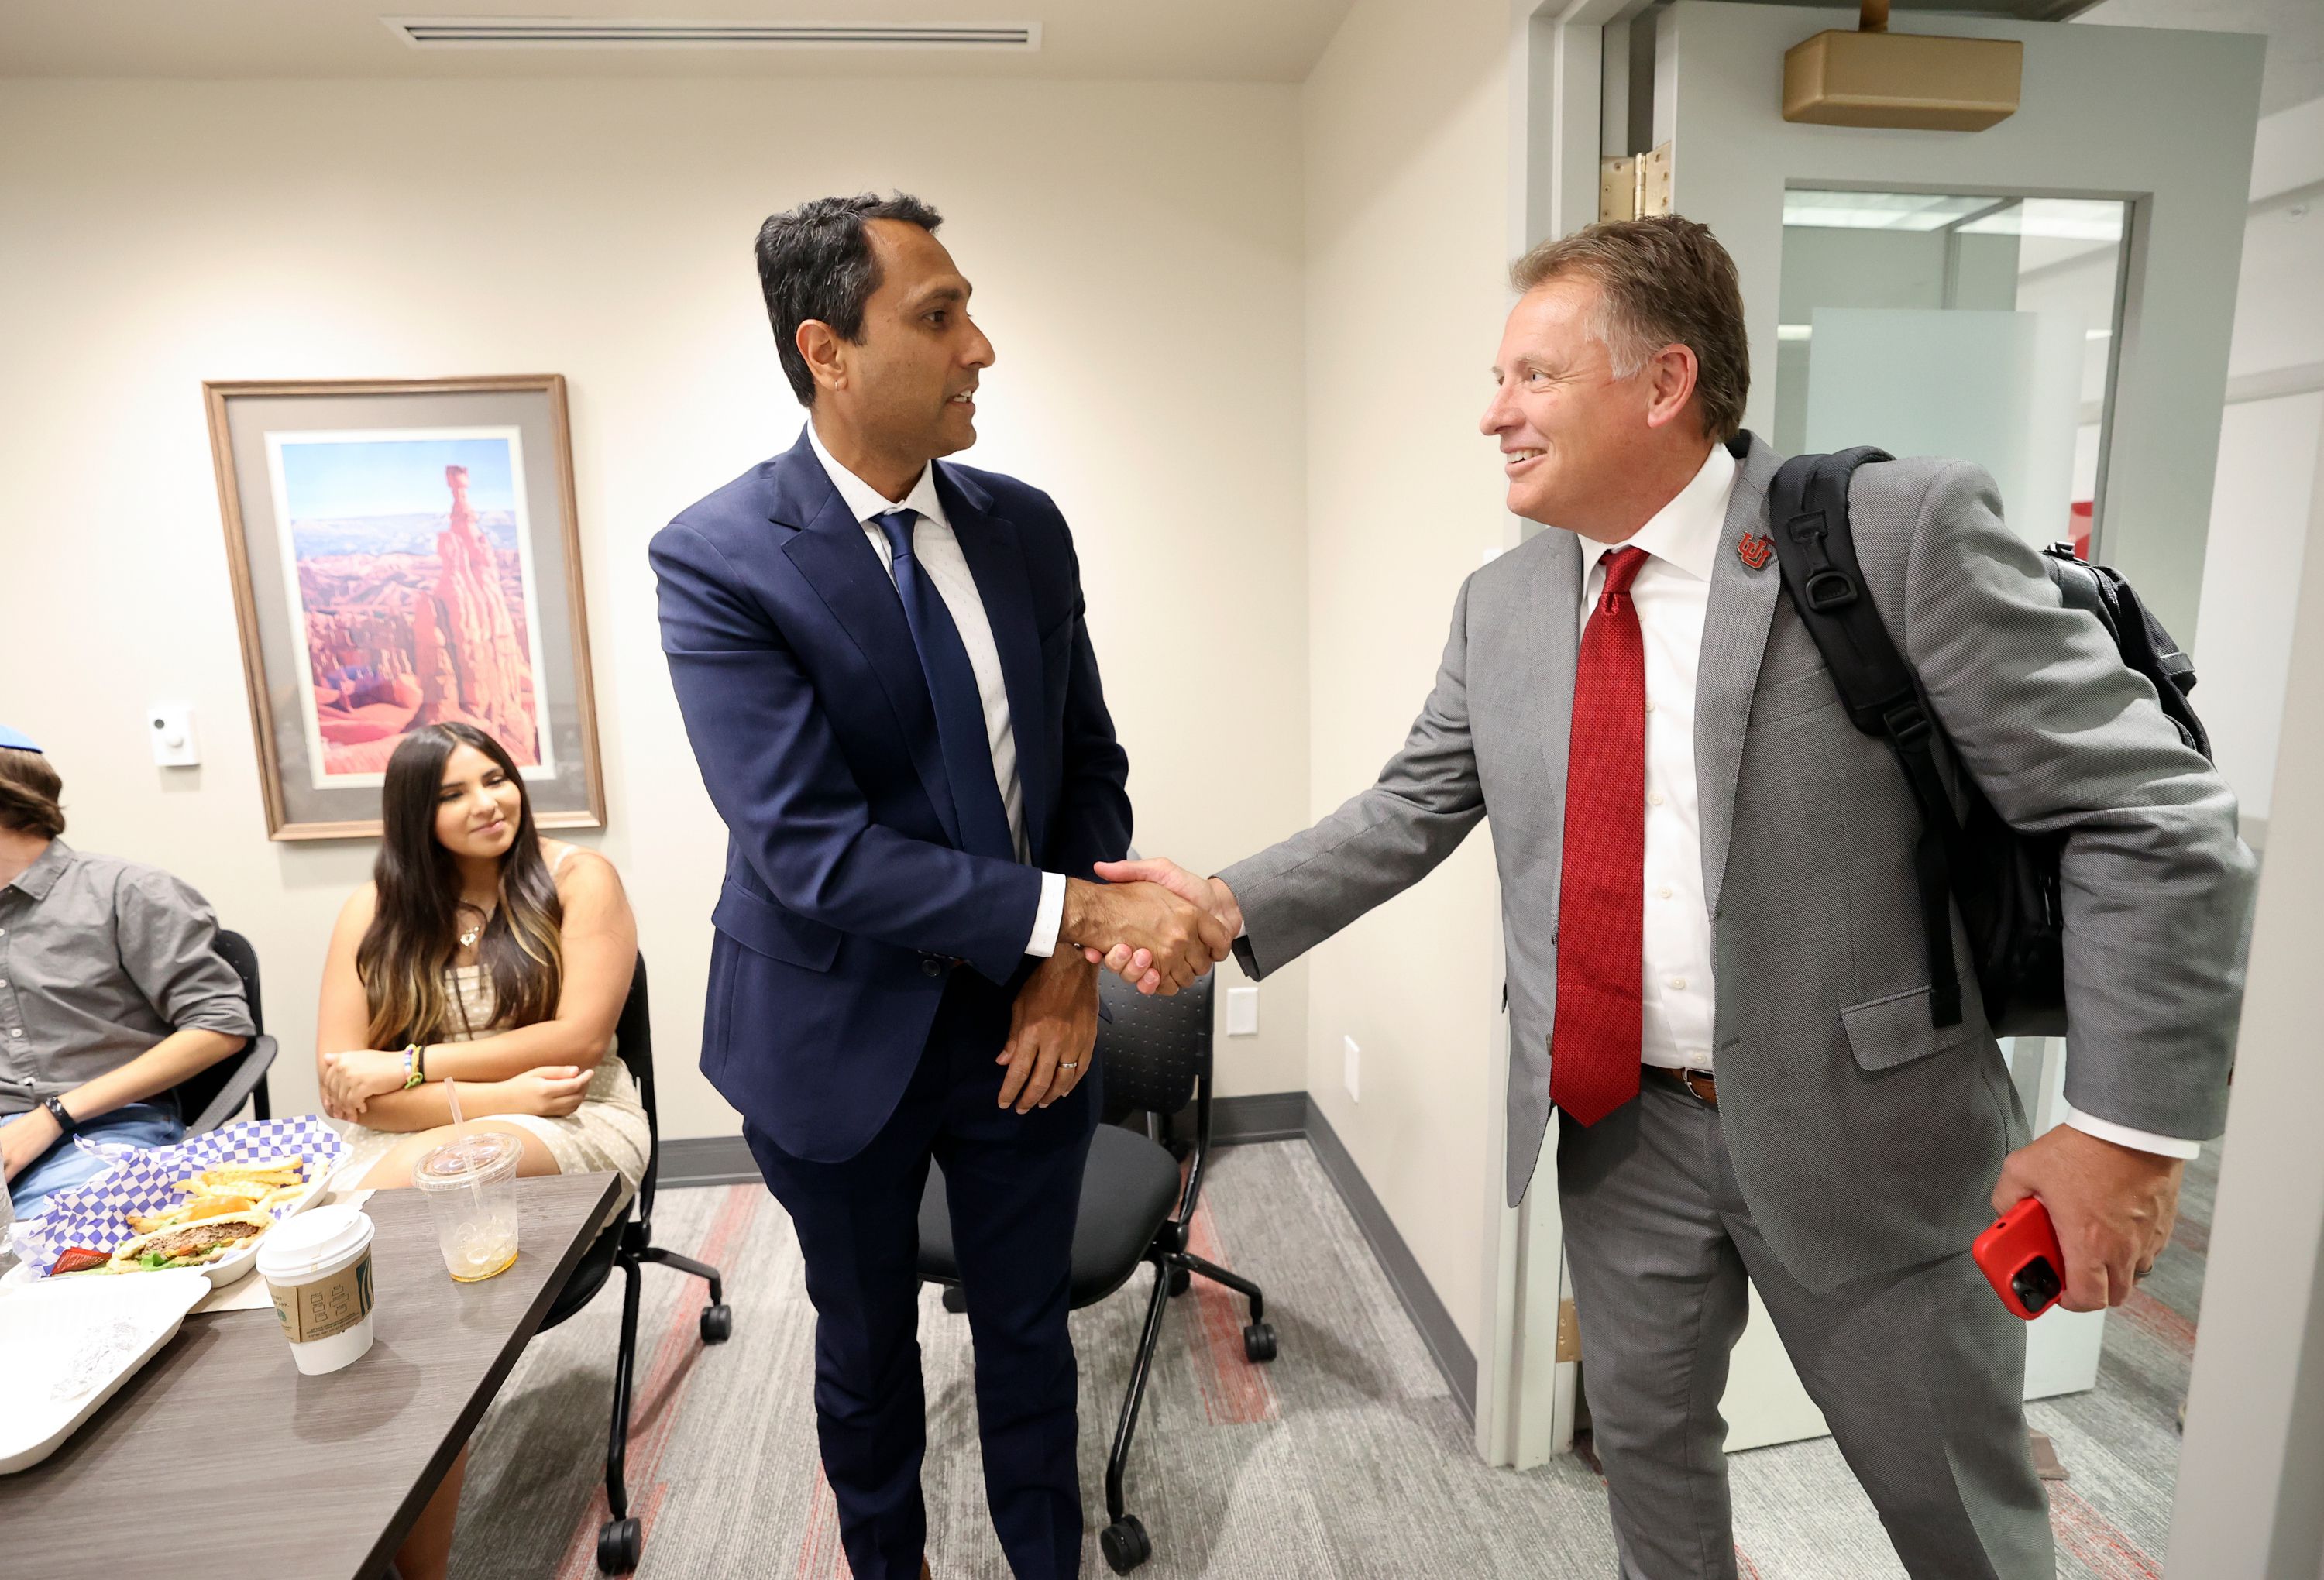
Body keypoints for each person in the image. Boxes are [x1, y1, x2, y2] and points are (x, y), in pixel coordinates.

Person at [1099, 217, 2254, 1578]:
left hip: (1873, 1139)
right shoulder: (1508, 604)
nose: (1494, 414)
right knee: (1649, 1473)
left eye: (1532, 376)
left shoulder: (1892, 534)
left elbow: (2148, 812)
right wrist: (1222, 906)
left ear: (1663, 384)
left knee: (1956, 1510)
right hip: (1621, 1132)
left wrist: (2124, 1139)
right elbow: (1411, 806)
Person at [651, 192, 1223, 1580]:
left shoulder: (1025, 529)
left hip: (1030, 1029)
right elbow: (808, 847)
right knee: (865, 1351)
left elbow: (1087, 764)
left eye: (969, 310)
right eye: (939, 315)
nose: (983, 347)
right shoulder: (718, 559)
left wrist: (1064, 974)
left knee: (1031, 1337)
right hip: (832, 1036)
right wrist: (1082, 918)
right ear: (826, 349)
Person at [314, 720, 648, 1580]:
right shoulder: (373, 910)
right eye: (453, 793)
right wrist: (491, 1095)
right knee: (386, 1305)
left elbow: (574, 1044)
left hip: (575, 1119)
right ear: (413, 815)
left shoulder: (578, 879)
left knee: (395, 1236)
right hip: (441, 1126)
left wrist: (414, 1062)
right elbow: (346, 1090)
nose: (487, 802)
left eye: (495, 778)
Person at [0, 728, 253, 1215]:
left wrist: (53, 1115)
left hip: (105, 1132)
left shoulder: (130, 892)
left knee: (51, 1251)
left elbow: (220, 1026)